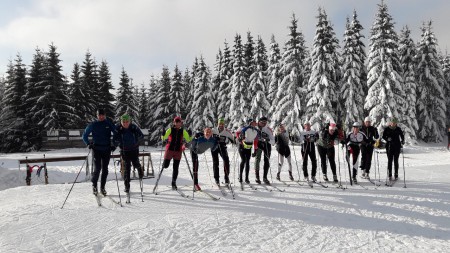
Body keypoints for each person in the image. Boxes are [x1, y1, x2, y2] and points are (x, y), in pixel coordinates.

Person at [82, 108, 116, 196]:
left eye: (102, 115)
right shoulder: (93, 124)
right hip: (96, 149)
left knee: (105, 170)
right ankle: (94, 186)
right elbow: (84, 135)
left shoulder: (108, 123)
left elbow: (116, 133)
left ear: (105, 115)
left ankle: (102, 187)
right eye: (99, 115)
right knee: (97, 169)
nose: (101, 117)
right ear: (97, 116)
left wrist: (114, 144)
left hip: (107, 149)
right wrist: (88, 143)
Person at [113, 114, 144, 193]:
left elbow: (141, 135)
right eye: (124, 122)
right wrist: (115, 144)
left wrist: (137, 141)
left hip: (134, 149)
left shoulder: (133, 127)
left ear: (129, 121)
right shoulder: (118, 128)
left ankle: (139, 169)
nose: (125, 123)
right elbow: (115, 139)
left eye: (127, 121)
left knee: (135, 163)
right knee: (127, 168)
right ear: (121, 122)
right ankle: (127, 186)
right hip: (124, 150)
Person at [161, 116, 192, 190]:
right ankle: (164, 164)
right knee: (165, 165)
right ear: (174, 123)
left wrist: (190, 135)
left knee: (176, 168)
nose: (178, 124)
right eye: (176, 122)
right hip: (170, 150)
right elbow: (164, 138)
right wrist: (163, 134)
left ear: (181, 123)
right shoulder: (170, 130)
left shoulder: (183, 131)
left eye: (179, 122)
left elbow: (188, 139)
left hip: (178, 150)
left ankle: (173, 182)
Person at [211, 118, 235, 185]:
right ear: (218, 124)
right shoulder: (213, 130)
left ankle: (226, 178)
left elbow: (233, 139)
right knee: (216, 163)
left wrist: (235, 140)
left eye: (222, 124)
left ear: (224, 124)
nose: (221, 125)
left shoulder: (226, 131)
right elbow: (207, 135)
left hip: (222, 147)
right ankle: (216, 179)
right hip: (214, 147)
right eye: (220, 124)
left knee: (226, 161)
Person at [236, 118, 259, 184]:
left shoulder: (256, 131)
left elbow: (256, 141)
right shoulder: (244, 128)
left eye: (255, 122)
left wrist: (255, 150)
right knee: (243, 160)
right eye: (253, 122)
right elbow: (237, 133)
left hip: (249, 147)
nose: (255, 123)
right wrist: (239, 139)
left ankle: (246, 178)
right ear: (250, 123)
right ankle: (240, 177)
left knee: (248, 162)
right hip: (242, 146)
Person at [253, 116, 275, 185]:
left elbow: (273, 142)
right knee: (257, 159)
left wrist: (268, 139)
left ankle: (265, 177)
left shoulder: (268, 129)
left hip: (266, 145)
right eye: (262, 122)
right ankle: (257, 177)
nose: (263, 124)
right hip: (259, 144)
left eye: (265, 122)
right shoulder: (255, 128)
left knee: (267, 160)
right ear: (259, 122)